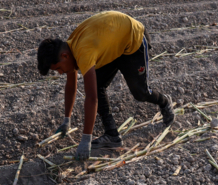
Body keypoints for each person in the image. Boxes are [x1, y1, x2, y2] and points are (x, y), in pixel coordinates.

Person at [36, 11, 174, 160]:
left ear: (64, 56)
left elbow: (91, 98)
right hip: (112, 45)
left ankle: (165, 102)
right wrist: (66, 120)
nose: (60, 73)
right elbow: (71, 87)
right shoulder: (69, 48)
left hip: (133, 39)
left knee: (140, 93)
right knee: (98, 85)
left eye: (58, 69)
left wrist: (86, 140)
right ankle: (112, 135)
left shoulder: (83, 51)